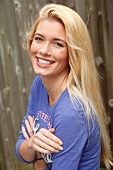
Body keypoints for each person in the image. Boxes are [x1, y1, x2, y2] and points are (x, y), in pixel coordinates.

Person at [15, 3, 112, 170]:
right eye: (39, 39)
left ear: (73, 53)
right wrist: (32, 143)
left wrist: (38, 159)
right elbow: (21, 149)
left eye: (58, 44)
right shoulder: (39, 84)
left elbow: (32, 158)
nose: (44, 50)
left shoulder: (71, 112)